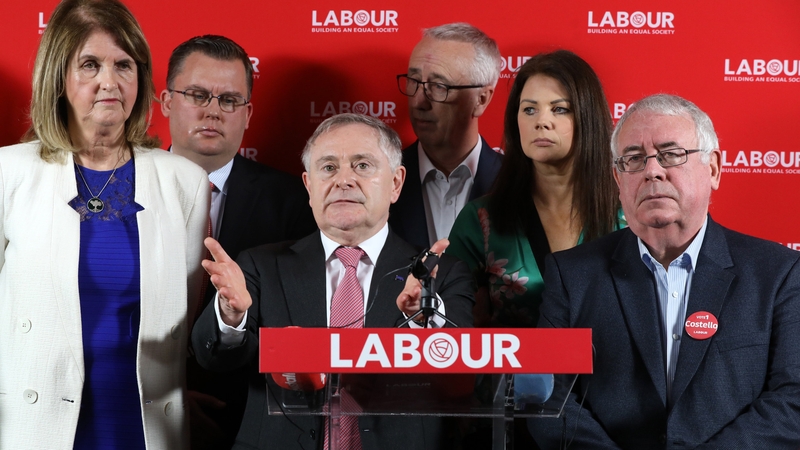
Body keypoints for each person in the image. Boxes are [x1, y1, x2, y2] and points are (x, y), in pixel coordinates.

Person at [528, 94, 800, 448]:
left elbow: (792, 398)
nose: (652, 170)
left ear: (714, 168)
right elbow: (545, 395)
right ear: (618, 179)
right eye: (634, 159)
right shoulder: (571, 275)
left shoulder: (779, 274)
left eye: (671, 154)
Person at [191, 113, 474, 449]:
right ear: (309, 186)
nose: (343, 180)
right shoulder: (260, 266)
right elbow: (214, 359)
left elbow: (460, 379)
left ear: (396, 183)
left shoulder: (440, 276)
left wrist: (424, 318)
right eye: (328, 168)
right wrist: (230, 315)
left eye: (363, 166)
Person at [0, 0, 208, 449]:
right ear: (58, 77)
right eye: (89, 65)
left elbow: (183, 316)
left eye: (124, 65)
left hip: (147, 426)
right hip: (34, 425)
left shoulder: (185, 183)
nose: (109, 82)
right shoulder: (8, 173)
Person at [160, 35, 316, 449]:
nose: (213, 110)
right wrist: (165, 401)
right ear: (166, 102)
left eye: (229, 100)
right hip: (142, 409)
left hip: (250, 417)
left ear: (247, 114)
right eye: (197, 94)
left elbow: (292, 326)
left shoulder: (294, 204)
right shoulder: (123, 191)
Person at [448, 50, 622, 328]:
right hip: (509, 371)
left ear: (588, 118)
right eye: (529, 109)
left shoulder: (629, 217)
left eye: (559, 109)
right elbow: (454, 329)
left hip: (610, 371)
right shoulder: (480, 220)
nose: (541, 121)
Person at [389, 22, 502, 249]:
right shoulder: (379, 181)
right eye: (414, 81)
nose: (419, 101)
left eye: (439, 86)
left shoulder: (519, 182)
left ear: (481, 100)